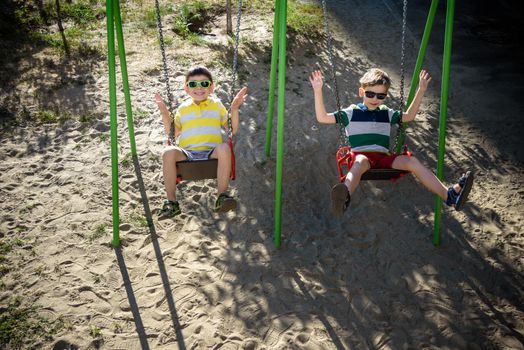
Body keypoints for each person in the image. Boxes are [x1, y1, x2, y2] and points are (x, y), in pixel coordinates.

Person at [309, 68, 473, 216]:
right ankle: (345, 195)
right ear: (361, 92)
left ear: (386, 96)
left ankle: (449, 196)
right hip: (362, 155)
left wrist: (421, 90)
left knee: (411, 161)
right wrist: (318, 91)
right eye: (370, 94)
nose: (375, 99)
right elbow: (322, 118)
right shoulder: (350, 113)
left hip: (384, 157)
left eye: (381, 96)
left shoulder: (387, 113)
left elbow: (408, 116)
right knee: (359, 162)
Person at [155, 66, 248, 218]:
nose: (199, 88)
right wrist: (165, 113)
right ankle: (171, 203)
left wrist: (234, 109)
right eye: (193, 84)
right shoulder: (183, 109)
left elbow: (232, 129)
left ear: (211, 87)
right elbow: (172, 133)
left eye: (204, 84)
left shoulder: (217, 105)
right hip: (187, 154)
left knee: (224, 147)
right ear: (186, 88)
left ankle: (221, 197)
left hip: (211, 152)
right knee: (168, 152)